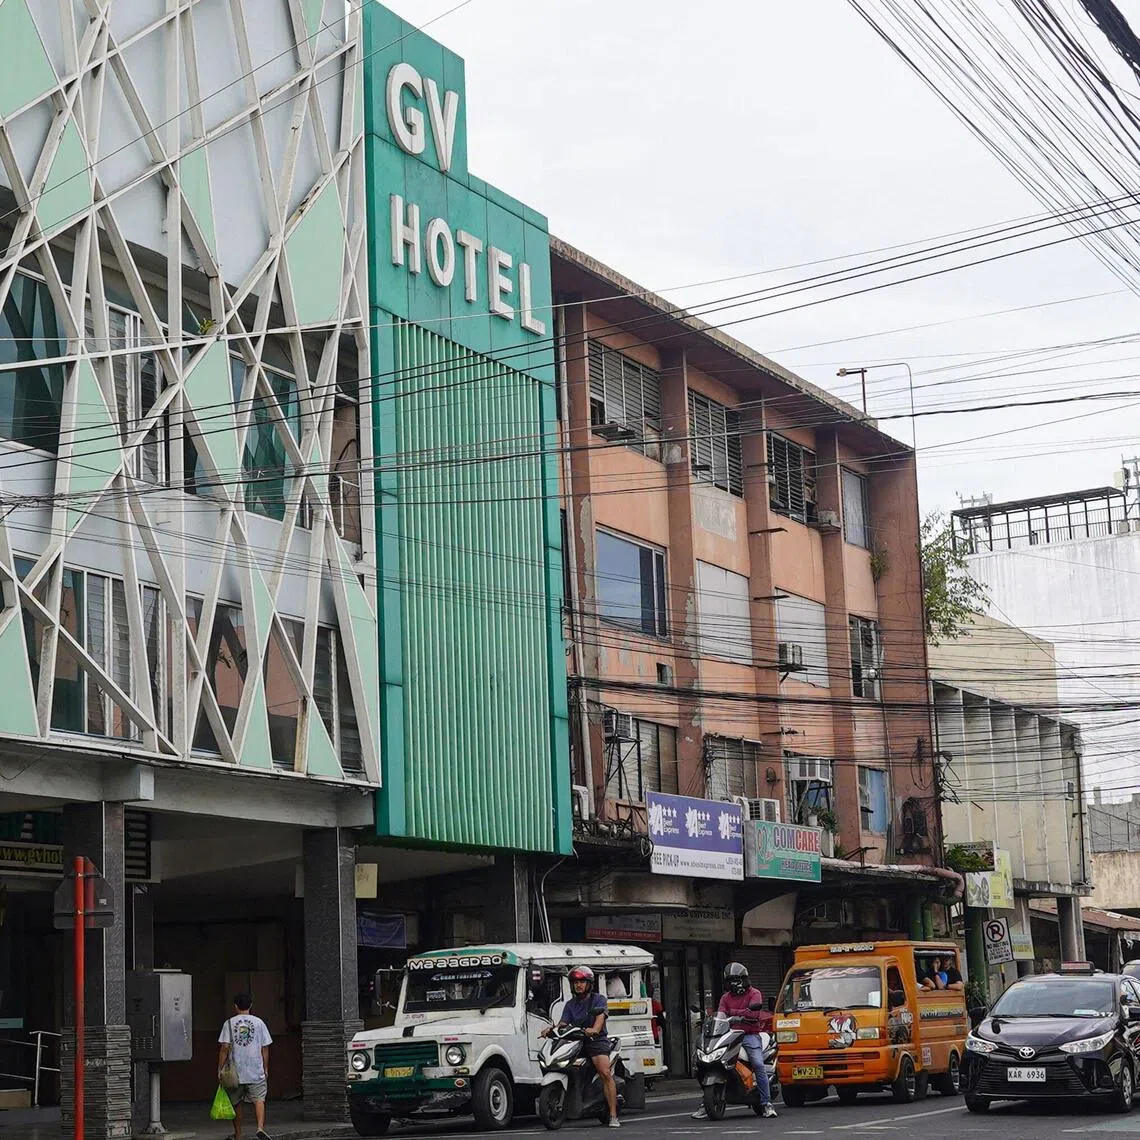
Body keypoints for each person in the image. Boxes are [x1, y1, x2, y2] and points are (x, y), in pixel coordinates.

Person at [692, 964, 777, 1120]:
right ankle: (706, 1103)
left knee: (758, 1064)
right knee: (706, 1063)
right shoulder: (726, 997)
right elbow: (721, 1013)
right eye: (730, 980)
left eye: (736, 980)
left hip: (750, 1035)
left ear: (744, 979)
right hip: (729, 1034)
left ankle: (766, 1104)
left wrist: (737, 1014)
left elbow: (754, 1013)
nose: (733, 983)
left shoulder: (754, 994)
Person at [542, 965, 620, 1127]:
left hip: (595, 1041)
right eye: (575, 982)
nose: (578, 985)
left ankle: (613, 1115)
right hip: (576, 1041)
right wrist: (551, 1030)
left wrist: (595, 1030)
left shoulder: (598, 1000)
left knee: (605, 1072)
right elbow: (563, 1024)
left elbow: (600, 1018)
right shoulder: (570, 1005)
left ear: (589, 984)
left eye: (582, 982)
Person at [218, 993, 273, 1140]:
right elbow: (265, 1048)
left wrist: (220, 1069)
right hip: (256, 1070)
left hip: (235, 1072)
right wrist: (265, 1067)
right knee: (259, 1099)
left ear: (235, 1006)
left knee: (236, 1102)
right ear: (251, 1005)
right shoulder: (259, 1023)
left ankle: (238, 1134)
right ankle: (260, 1128)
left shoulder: (228, 1024)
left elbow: (224, 1048)